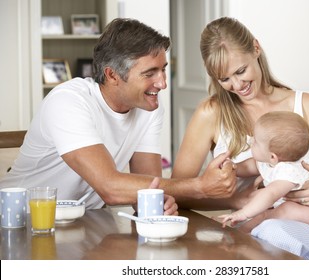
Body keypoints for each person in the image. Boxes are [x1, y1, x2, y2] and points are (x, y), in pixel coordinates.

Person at [0, 18, 237, 213]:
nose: (163, 83)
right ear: (112, 75)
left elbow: (148, 187)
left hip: (87, 221)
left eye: (163, 69)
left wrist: (157, 203)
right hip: (20, 219)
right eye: (150, 73)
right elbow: (110, 187)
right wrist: (200, 187)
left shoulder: (149, 106)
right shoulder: (69, 101)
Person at [171, 17, 309, 259]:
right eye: (224, 79)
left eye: (241, 71)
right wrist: (236, 199)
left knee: (270, 231)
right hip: (252, 241)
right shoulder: (211, 113)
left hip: (308, 235)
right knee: (260, 236)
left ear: (256, 49)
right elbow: (178, 194)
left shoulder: (306, 105)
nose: (237, 85)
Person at [219, 111, 309, 240]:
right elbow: (246, 167)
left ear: (273, 156)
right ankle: (239, 234)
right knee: (264, 215)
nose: (251, 141)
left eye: (255, 141)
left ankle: (241, 233)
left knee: (283, 209)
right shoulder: (268, 162)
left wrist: (243, 213)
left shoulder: (290, 170)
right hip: (295, 213)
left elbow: (270, 194)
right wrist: (231, 167)